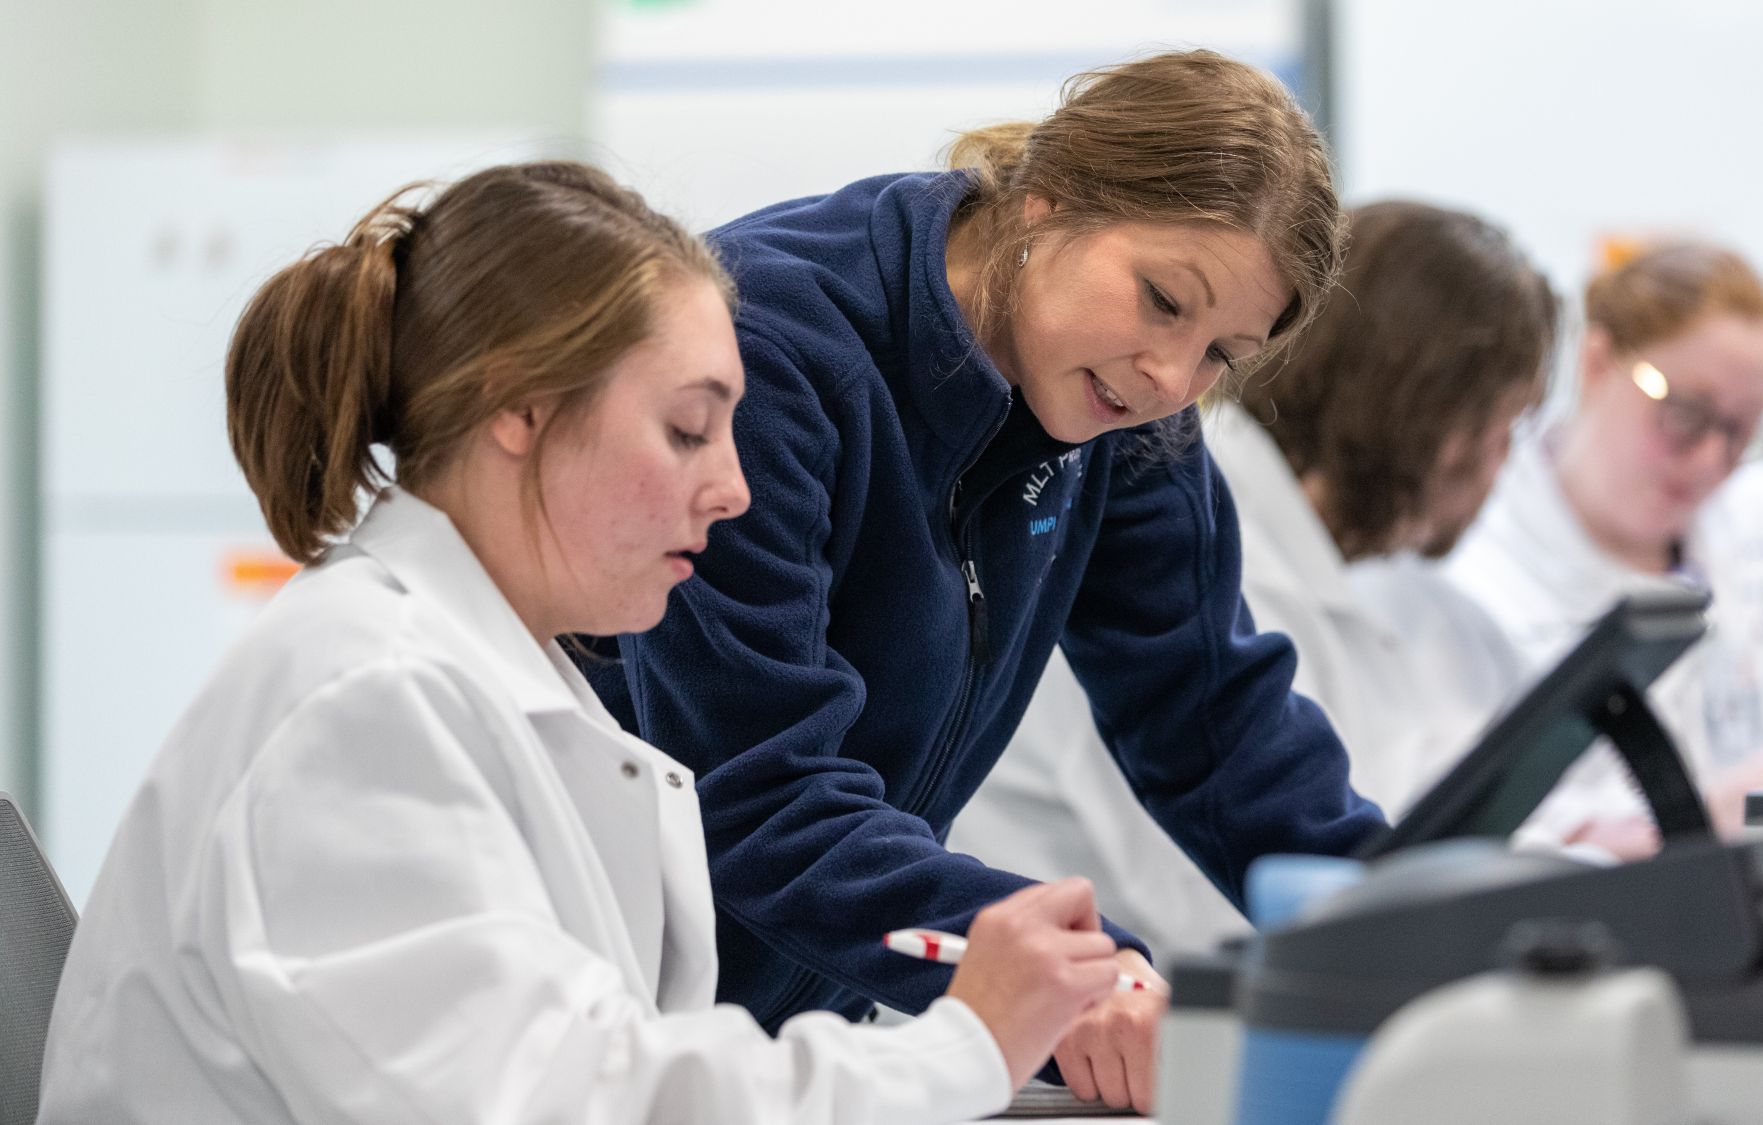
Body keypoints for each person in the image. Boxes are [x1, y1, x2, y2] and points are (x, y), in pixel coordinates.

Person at [38, 161, 1127, 1125]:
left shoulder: (489, 679)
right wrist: (966, 1045)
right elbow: (575, 1102)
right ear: (523, 410)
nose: (734, 487)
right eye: (687, 430)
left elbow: (610, 1060)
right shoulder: (365, 702)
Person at [585, 50, 1383, 1113]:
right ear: (1044, 203)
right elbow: (761, 800)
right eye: (1158, 300)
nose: (1167, 378)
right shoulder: (770, 351)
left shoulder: (1127, 417)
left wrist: (1408, 927)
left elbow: (1211, 723)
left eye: (1218, 355)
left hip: (807, 1037)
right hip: (614, 1014)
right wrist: (1072, 974)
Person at [953, 200, 1560, 956]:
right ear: (1438, 417)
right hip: (1044, 1021)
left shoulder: (1335, 566)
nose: (1505, 463)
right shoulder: (1198, 544)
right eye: (1507, 423)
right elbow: (1233, 905)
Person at [1446, 240, 1763, 851]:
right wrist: (1674, 829)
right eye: (1686, 413)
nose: (1711, 460)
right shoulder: (1479, 558)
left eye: (1740, 433)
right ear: (1597, 363)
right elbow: (1463, 832)